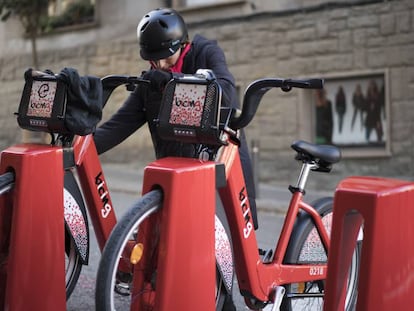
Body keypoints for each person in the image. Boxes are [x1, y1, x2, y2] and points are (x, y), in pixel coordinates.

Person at [93, 8, 258, 228]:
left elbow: (226, 95)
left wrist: (173, 79)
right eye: (153, 60)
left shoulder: (207, 53)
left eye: (166, 57)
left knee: (223, 252)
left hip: (217, 171)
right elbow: (119, 125)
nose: (160, 65)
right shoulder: (152, 80)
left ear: (182, 45)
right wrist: (77, 148)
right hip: (176, 174)